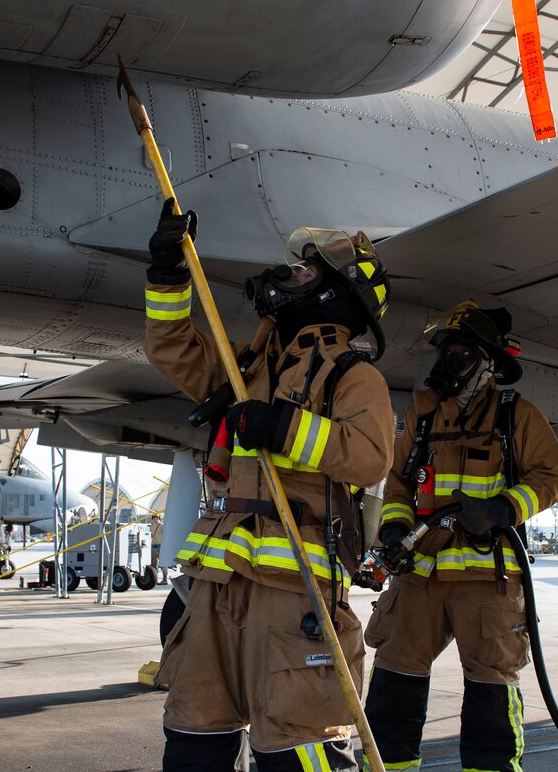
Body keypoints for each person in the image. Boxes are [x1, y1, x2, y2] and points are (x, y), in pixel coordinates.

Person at [144, 200, 395, 771]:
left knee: (297, 746)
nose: (291, 277)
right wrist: (167, 274)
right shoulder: (248, 369)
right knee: (193, 737)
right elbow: (172, 347)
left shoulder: (355, 377)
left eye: (307, 271)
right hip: (218, 585)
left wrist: (282, 427)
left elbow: (370, 457)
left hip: (294, 593)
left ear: (338, 290)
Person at [362, 301, 558, 772]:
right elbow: (397, 482)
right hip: (419, 577)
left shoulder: (516, 416)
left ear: (489, 364)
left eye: (461, 351)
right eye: (446, 350)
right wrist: (394, 523)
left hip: (486, 580)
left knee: (490, 693)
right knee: (394, 681)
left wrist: (504, 508)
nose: (448, 360)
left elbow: (554, 477)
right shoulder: (421, 419)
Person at [149, 513, 168, 585]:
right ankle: (155, 579)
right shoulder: (152, 526)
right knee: (154, 564)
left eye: (157, 517)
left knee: (162, 562)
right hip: (153, 545)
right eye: (154, 518)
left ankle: (164, 579)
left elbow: (165, 534)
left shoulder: (162, 525)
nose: (155, 519)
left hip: (160, 545)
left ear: (159, 518)